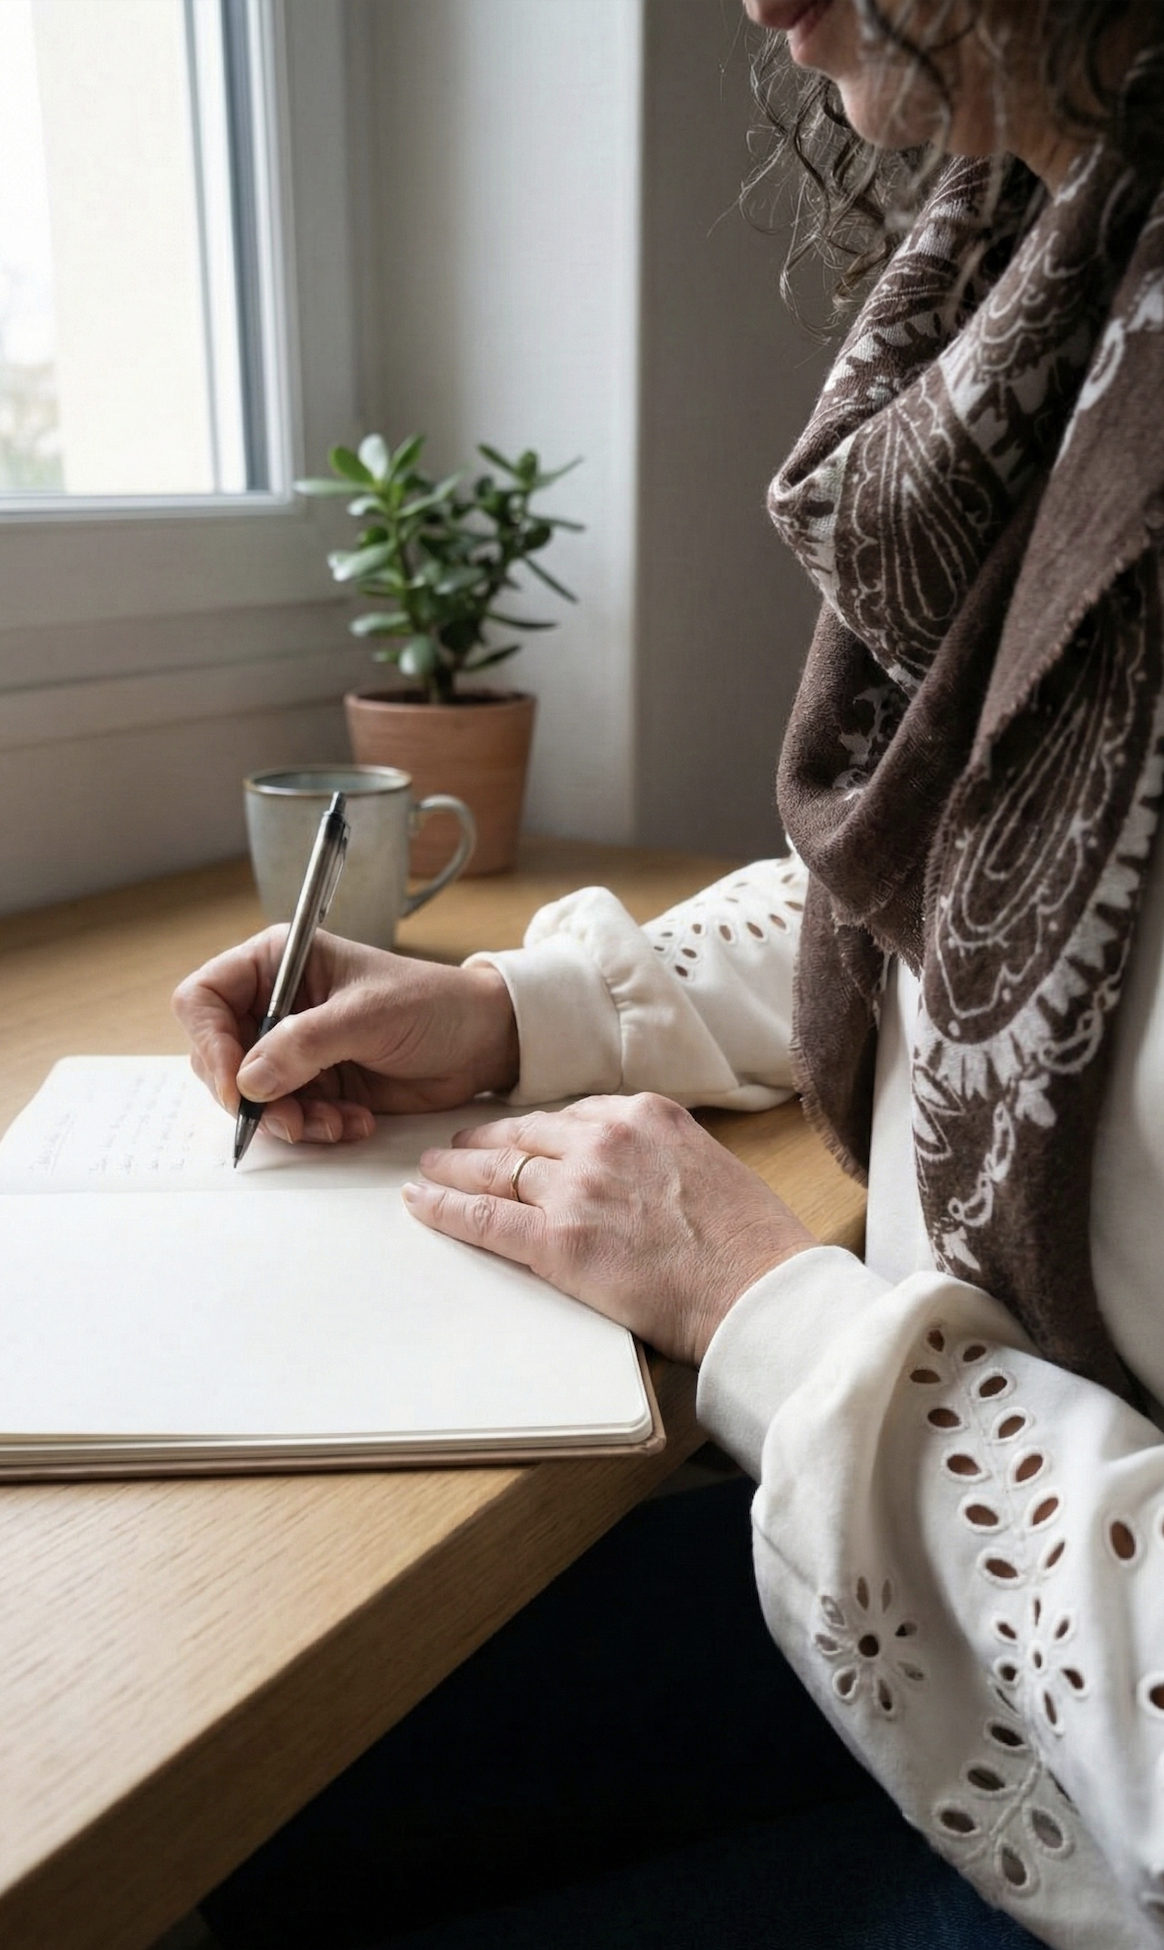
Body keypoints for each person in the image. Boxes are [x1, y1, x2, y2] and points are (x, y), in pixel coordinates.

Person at [174, 3, 1164, 1945]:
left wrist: (762, 1312)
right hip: (973, 1550)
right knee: (266, 1829)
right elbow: (998, 900)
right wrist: (514, 1013)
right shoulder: (1076, 286)